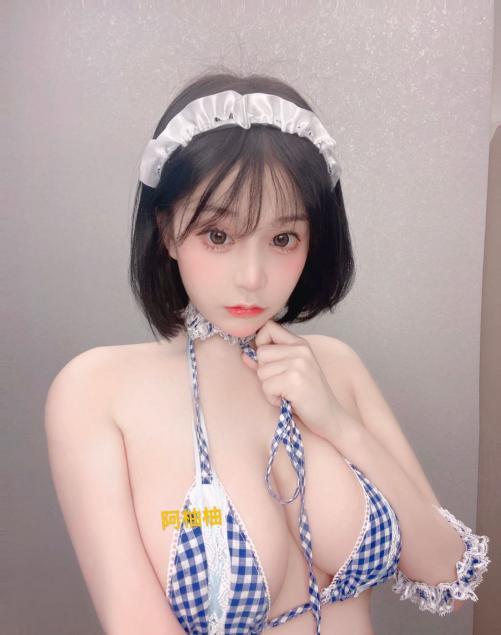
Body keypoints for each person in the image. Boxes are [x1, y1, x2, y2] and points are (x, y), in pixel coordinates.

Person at [45, 71, 490, 635]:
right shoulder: (96, 392)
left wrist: (336, 422)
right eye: (218, 236)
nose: (252, 277)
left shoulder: (335, 367)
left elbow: (448, 575)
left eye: (283, 239)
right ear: (167, 229)